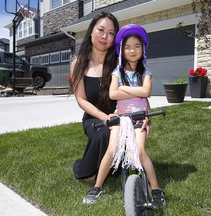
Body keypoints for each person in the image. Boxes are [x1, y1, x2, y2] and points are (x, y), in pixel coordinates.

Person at [83, 24, 166, 209]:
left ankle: (156, 190)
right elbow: (113, 94)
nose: (132, 50)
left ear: (143, 48)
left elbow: (146, 90)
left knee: (141, 151)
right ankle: (97, 186)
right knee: (111, 151)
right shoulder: (116, 72)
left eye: (137, 46)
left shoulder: (146, 71)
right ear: (122, 50)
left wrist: (124, 89)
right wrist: (138, 93)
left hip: (139, 117)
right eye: (128, 47)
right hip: (120, 118)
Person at [70, 12, 119, 180]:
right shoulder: (78, 63)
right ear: (91, 31)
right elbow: (81, 99)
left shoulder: (119, 63)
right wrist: (105, 118)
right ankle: (84, 170)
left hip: (118, 115)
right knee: (104, 133)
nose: (105, 36)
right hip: (93, 117)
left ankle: (110, 166)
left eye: (111, 33)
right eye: (101, 30)